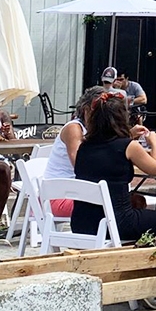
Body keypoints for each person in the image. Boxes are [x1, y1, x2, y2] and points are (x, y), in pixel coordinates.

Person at [71, 91, 156, 243]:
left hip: (82, 224)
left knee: (140, 208)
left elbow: (108, 147)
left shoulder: (83, 147)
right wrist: (154, 143)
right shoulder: (129, 147)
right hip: (119, 223)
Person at [44, 86, 105, 219]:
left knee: (135, 201)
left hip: (78, 192)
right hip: (58, 196)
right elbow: (79, 165)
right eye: (100, 110)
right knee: (115, 205)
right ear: (87, 110)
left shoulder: (95, 131)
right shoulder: (74, 128)